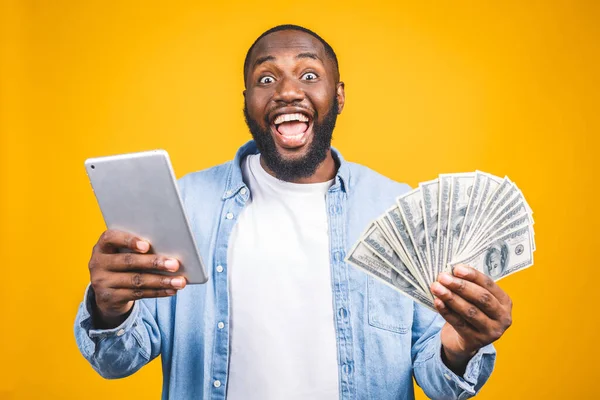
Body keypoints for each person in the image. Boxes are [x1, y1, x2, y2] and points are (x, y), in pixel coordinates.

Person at [74, 24, 513, 400]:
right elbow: (117, 361)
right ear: (246, 101)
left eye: (308, 74)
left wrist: (463, 346)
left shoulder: (399, 212)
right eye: (266, 79)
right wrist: (109, 309)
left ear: (338, 96)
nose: (287, 91)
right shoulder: (185, 203)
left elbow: (437, 379)